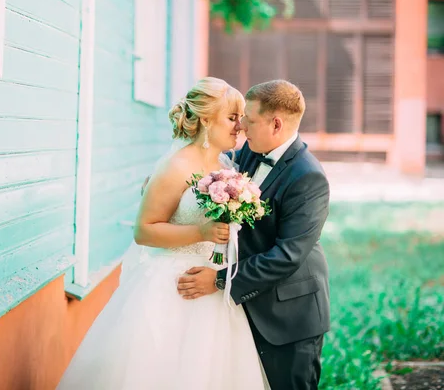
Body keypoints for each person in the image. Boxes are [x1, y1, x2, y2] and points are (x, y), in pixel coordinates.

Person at [57, 77, 269, 389]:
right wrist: (201, 232)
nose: (241, 126)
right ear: (207, 120)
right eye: (232, 117)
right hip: (172, 285)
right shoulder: (177, 166)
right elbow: (144, 231)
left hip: (214, 282)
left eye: (241, 118)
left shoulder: (225, 163)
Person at [177, 79, 331, 390]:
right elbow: (211, 174)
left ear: (276, 124)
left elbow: (287, 255)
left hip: (289, 316)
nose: (243, 125)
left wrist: (220, 280)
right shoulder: (252, 149)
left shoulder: (309, 177)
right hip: (245, 310)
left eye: (250, 118)